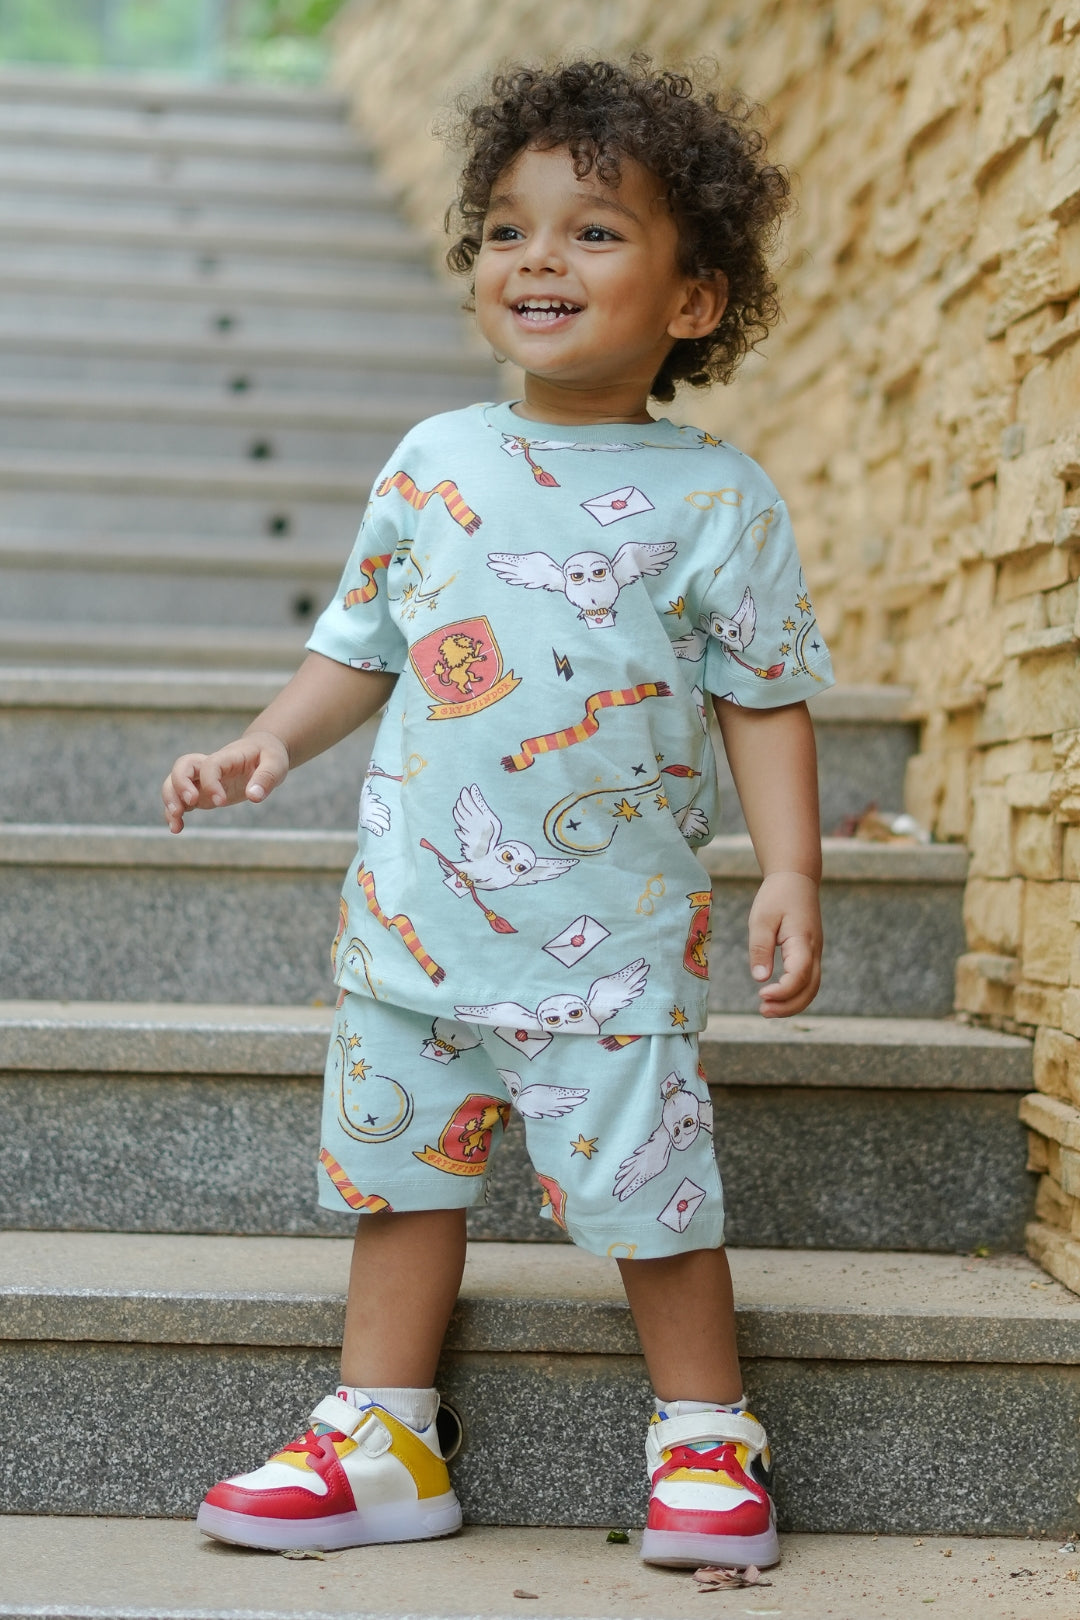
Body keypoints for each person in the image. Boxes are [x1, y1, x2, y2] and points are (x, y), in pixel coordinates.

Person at [162, 56, 832, 1571]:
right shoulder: (436, 461)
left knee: (652, 1193)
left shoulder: (718, 499)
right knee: (400, 1184)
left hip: (612, 938)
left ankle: (706, 1435)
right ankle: (382, 1437)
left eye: (594, 232)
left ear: (694, 301)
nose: (539, 258)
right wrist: (269, 742)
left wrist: (791, 866)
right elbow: (361, 645)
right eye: (508, 230)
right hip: (416, 922)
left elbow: (764, 693)